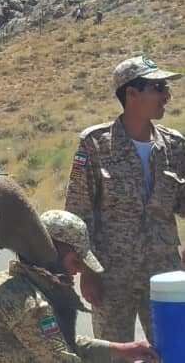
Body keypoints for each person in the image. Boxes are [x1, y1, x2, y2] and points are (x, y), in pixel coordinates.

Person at [0, 176, 158, 362]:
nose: (76, 273)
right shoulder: (30, 305)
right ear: (54, 255)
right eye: (75, 262)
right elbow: (63, 358)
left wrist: (122, 349)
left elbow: (58, 343)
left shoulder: (8, 282)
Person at [65, 56, 185, 349]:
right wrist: (88, 271)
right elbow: (79, 213)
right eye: (158, 87)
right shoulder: (95, 144)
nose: (167, 95)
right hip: (111, 276)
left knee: (173, 350)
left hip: (164, 274)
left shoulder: (175, 145)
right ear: (131, 94)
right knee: (112, 352)